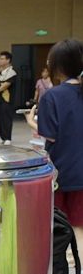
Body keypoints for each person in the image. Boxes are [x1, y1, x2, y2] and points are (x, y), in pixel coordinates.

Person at [35, 38, 83, 253]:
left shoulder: (52, 96)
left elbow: (50, 135)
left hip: (63, 172)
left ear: (57, 65)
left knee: (62, 226)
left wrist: (31, 122)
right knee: (80, 225)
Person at [0, 50, 17, 145]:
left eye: (2, 58)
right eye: (0, 58)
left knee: (6, 118)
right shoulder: (1, 73)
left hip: (7, 99)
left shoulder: (12, 72)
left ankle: (7, 138)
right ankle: (1, 137)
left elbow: (6, 84)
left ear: (8, 60)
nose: (0, 60)